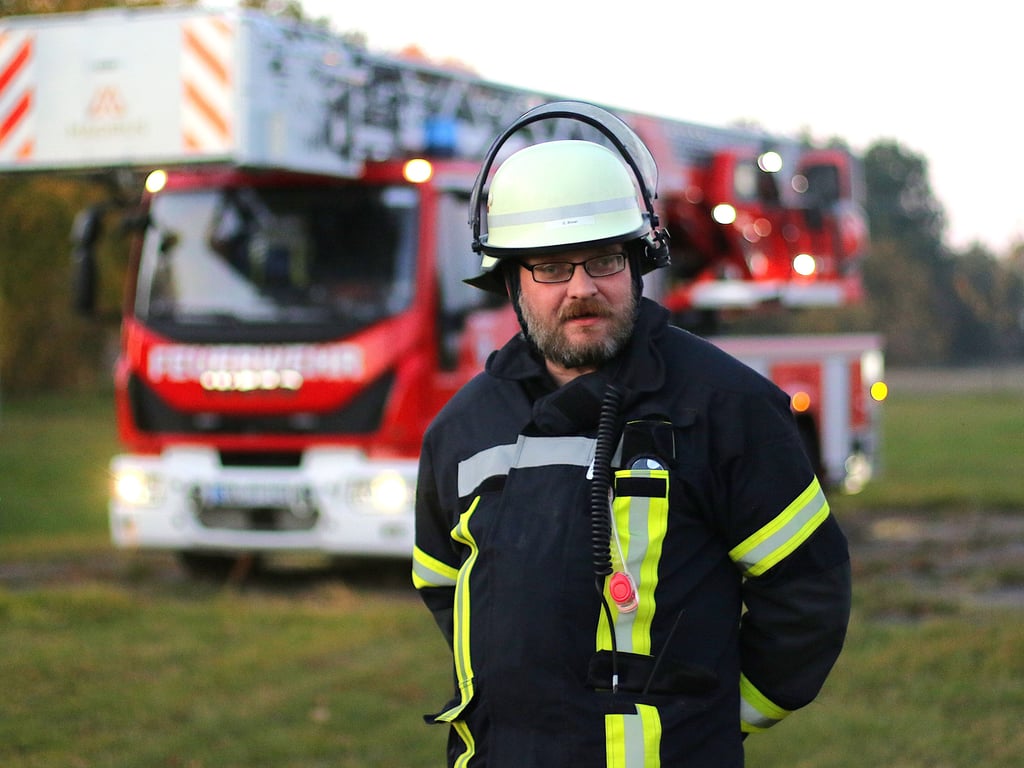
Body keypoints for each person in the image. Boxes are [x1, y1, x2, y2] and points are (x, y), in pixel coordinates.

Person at [412, 101, 851, 768]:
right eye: (552, 267)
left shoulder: (728, 408)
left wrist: (709, 718)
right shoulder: (463, 429)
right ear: (510, 280)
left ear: (640, 263)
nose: (582, 287)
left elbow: (806, 596)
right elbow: (446, 588)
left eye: (604, 261)